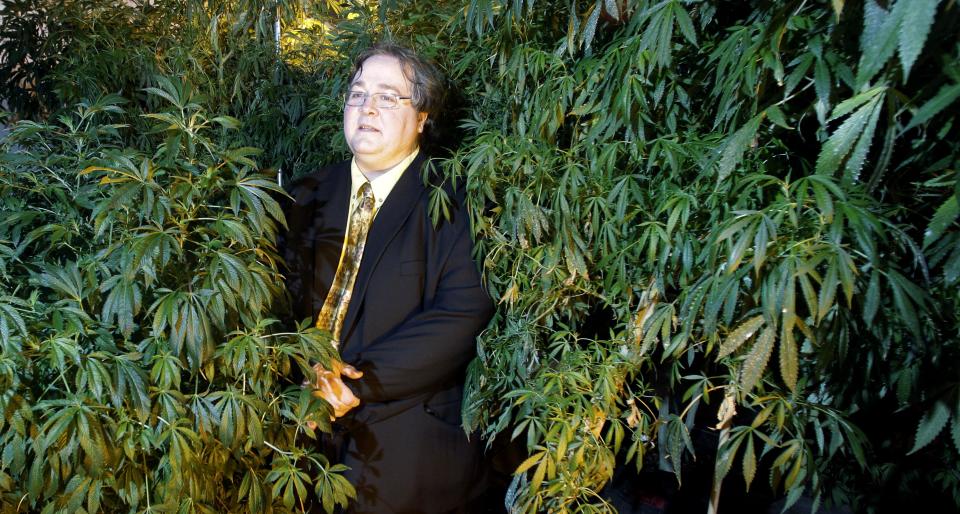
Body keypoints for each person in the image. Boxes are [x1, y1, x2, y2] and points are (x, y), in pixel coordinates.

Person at [281, 43, 495, 513]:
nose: (367, 109)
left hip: (404, 441)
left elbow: (462, 311)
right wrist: (303, 378)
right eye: (357, 95)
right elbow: (276, 301)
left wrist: (353, 383)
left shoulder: (454, 200)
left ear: (422, 117)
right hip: (300, 433)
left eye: (387, 97)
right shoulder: (303, 196)